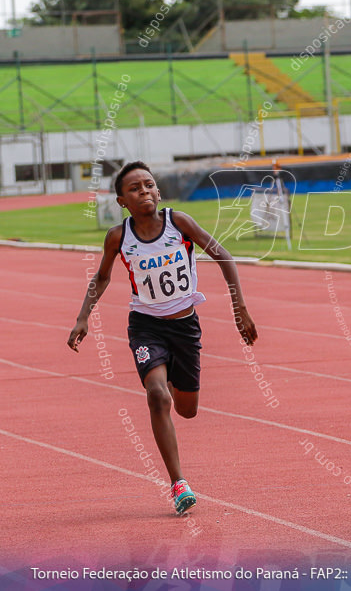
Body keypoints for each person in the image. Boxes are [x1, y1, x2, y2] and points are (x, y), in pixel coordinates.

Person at [68, 161, 257, 513]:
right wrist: (83, 318)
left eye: (149, 185)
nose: (144, 192)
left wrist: (239, 309)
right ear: (122, 200)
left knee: (187, 410)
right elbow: (103, 277)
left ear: (158, 190)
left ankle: (168, 375)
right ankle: (178, 483)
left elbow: (223, 256)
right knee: (157, 396)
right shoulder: (118, 236)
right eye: (135, 188)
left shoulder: (178, 222)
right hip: (146, 327)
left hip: (185, 327)